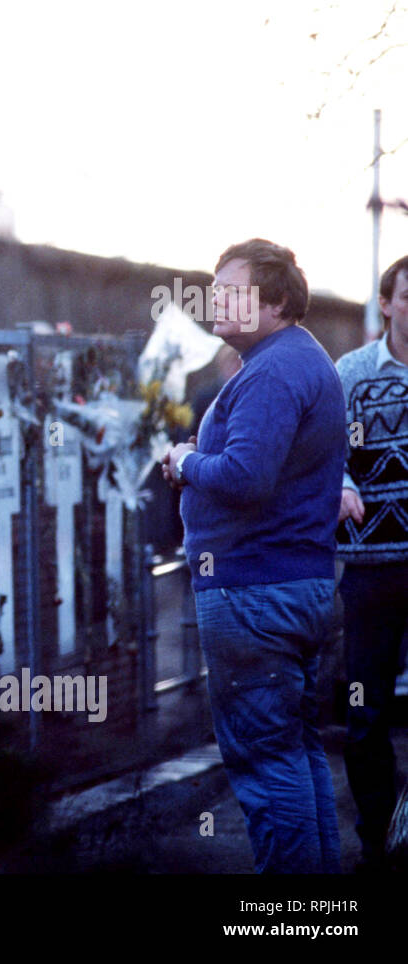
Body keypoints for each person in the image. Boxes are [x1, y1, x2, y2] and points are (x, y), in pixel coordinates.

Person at [161, 239, 346, 873]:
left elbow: (246, 476)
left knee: (267, 766)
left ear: (274, 302)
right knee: (294, 754)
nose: (215, 301)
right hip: (287, 586)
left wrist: (187, 460)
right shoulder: (294, 359)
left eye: (230, 291)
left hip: (253, 594)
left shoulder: (271, 371)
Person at [333, 252, 408, 872]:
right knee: (364, 710)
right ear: (386, 304)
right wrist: (340, 483)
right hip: (371, 570)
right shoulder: (352, 374)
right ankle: (378, 843)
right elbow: (323, 450)